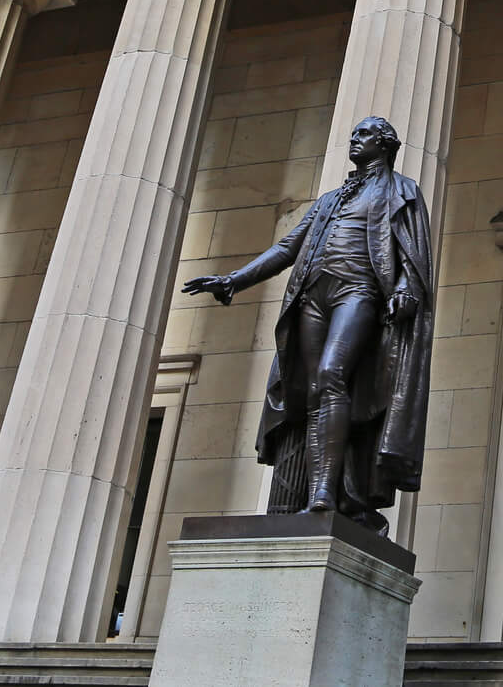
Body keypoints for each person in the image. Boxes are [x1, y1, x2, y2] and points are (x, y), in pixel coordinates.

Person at [183, 116, 434, 533]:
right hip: (312, 294)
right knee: (315, 388)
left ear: (387, 144)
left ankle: (322, 490)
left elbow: (411, 251)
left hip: (359, 290)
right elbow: (287, 247)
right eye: (353, 134)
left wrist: (405, 288)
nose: (354, 140)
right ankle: (321, 490)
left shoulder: (402, 191)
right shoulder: (330, 200)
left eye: (365, 134)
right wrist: (233, 281)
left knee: (333, 375)